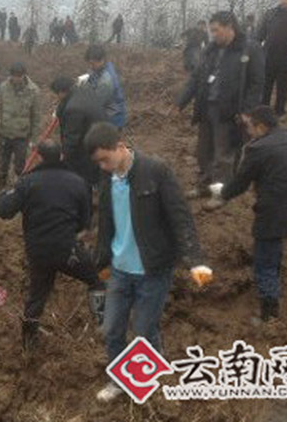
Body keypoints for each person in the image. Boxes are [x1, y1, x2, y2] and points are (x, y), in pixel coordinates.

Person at [84, 122, 212, 402]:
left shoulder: (155, 170)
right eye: (98, 162)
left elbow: (180, 217)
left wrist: (195, 261)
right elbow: (106, 220)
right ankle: (119, 381)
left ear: (120, 146)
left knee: (143, 330)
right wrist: (102, 259)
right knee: (112, 329)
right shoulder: (106, 177)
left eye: (105, 159)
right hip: (119, 269)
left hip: (152, 270)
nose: (103, 166)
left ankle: (150, 375)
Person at [203, 106, 287, 323]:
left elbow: (240, 184)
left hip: (275, 210)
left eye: (250, 126)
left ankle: (269, 312)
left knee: (264, 258)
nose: (248, 131)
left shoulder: (258, 149)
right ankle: (274, 281)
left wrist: (222, 193)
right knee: (274, 246)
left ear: (262, 126)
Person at [0, 140, 107, 351]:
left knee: (37, 296)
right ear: (62, 157)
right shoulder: (78, 182)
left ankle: (29, 344)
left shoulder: (27, 182)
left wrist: (9, 191)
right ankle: (103, 323)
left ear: (38, 157)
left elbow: (2, 210)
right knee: (97, 277)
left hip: (38, 252)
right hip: (68, 250)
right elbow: (85, 222)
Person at [176, 11, 264, 204]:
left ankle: (220, 193)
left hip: (230, 112)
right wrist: (180, 102)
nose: (213, 34)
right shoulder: (211, 49)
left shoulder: (249, 49)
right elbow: (195, 78)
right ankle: (205, 186)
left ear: (229, 26)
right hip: (206, 108)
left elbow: (256, 85)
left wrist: (247, 111)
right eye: (211, 30)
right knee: (204, 151)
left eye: (216, 30)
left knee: (223, 156)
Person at [51, 75, 105, 186]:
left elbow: (72, 138)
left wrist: (64, 155)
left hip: (87, 148)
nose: (57, 97)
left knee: (82, 179)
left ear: (62, 92)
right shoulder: (84, 91)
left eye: (57, 94)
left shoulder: (73, 109)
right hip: (100, 138)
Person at [0, 63, 40, 188]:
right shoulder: (3, 87)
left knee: (20, 164)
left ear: (24, 75)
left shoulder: (33, 91)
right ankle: (0, 185)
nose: (16, 79)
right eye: (14, 76)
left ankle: (18, 187)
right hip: (5, 132)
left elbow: (36, 116)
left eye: (19, 76)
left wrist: (34, 139)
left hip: (22, 134)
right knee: (3, 162)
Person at [79, 44, 127, 130]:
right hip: (106, 113)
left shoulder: (106, 81)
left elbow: (96, 103)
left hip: (112, 118)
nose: (90, 66)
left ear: (102, 60)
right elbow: (91, 79)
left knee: (107, 142)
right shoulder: (100, 68)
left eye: (93, 64)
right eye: (89, 63)